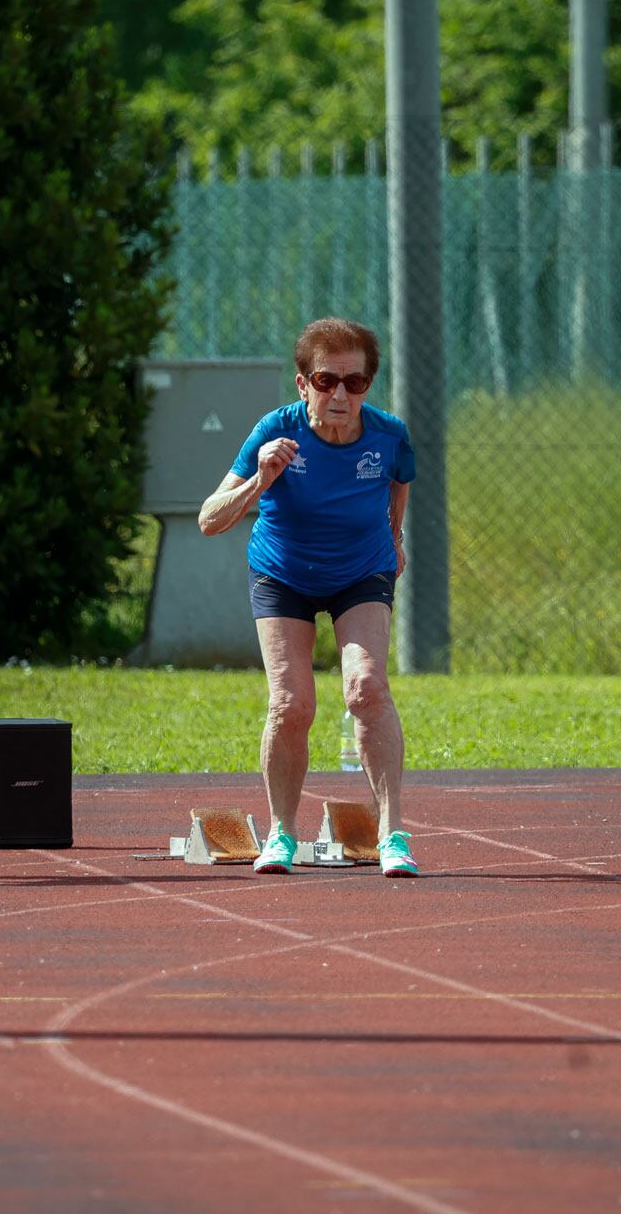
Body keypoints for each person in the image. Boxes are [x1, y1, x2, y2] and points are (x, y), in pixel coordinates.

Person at [198, 318, 419, 877]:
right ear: (303, 384)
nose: (341, 395)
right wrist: (260, 479)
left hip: (360, 572)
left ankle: (393, 834)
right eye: (327, 381)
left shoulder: (390, 434)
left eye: (355, 382)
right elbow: (209, 520)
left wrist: (395, 538)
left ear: (368, 385)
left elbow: (400, 480)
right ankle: (282, 835)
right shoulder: (273, 431)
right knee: (292, 705)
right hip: (284, 575)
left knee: (366, 688)